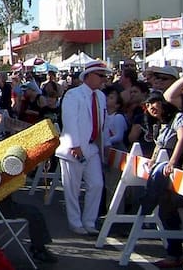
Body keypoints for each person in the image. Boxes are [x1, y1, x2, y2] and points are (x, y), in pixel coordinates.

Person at [55, 59, 110, 235]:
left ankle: (89, 221)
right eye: (100, 76)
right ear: (88, 76)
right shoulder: (73, 95)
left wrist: (105, 144)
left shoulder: (101, 96)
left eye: (105, 76)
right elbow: (70, 121)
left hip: (92, 147)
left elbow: (102, 122)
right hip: (74, 148)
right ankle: (75, 222)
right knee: (73, 188)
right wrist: (75, 145)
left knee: (96, 184)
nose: (104, 79)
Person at [137, 91, 183, 268]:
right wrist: (152, 159)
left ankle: (147, 201)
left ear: (164, 103)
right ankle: (174, 256)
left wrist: (172, 162)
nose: (151, 108)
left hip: (179, 169)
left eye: (154, 103)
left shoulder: (178, 117)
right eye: (148, 105)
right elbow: (159, 145)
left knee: (168, 207)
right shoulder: (161, 124)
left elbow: (182, 138)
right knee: (166, 212)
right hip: (169, 179)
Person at [0, 195, 58, 263]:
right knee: (35, 213)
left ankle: (39, 247)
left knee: (33, 211)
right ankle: (39, 249)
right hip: (1, 209)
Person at [103, 85, 127, 151]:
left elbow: (119, 137)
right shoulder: (104, 115)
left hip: (118, 149)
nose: (107, 98)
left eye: (111, 98)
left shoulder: (118, 117)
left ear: (117, 105)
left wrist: (104, 141)